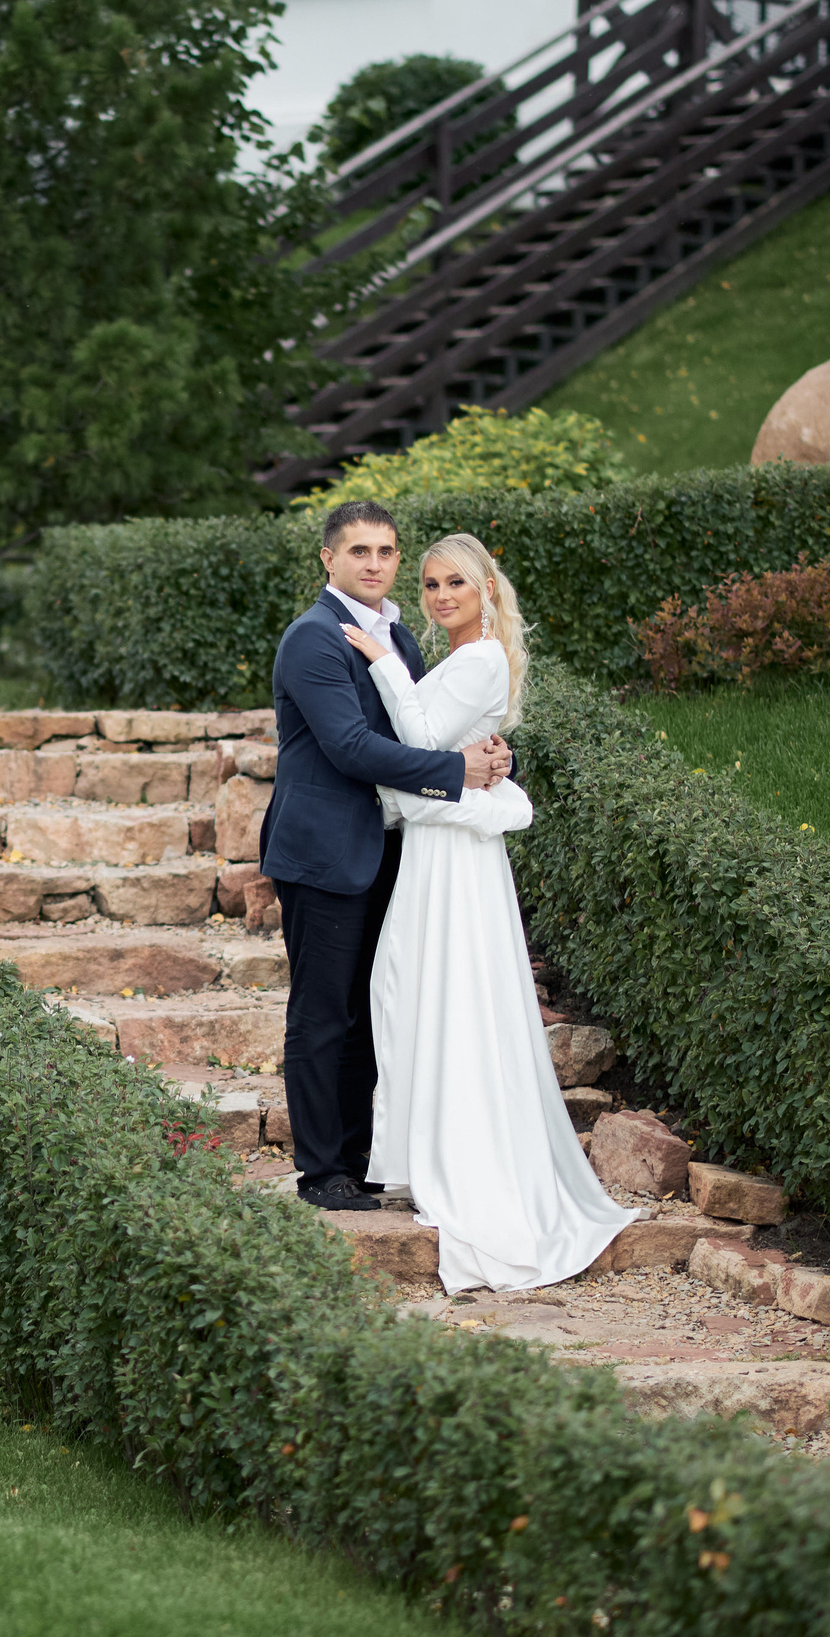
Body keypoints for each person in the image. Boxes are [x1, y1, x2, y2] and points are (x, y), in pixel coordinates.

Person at [340, 532, 634, 1292]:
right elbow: (450, 753)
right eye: (432, 584)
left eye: (456, 585)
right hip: (439, 850)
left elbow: (425, 737)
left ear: (486, 592)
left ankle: (464, 1159)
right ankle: (426, 1144)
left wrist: (384, 664)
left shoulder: (478, 659)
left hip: (455, 859)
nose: (440, 596)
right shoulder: (462, 659)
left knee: (446, 988)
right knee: (413, 987)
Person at [259, 501, 512, 1213]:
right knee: (322, 1014)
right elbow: (351, 748)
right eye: (360, 550)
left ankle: (361, 1159)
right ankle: (322, 1171)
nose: (375, 563)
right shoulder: (312, 639)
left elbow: (425, 728)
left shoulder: (398, 635)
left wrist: (490, 756)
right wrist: (459, 771)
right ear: (328, 559)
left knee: (373, 1013)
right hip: (324, 851)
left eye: (387, 551)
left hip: (391, 848)